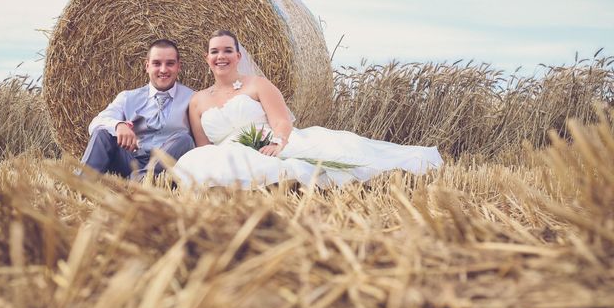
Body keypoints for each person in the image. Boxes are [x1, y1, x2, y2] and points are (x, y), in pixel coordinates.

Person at [172, 30, 443, 189]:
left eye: (228, 51)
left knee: (335, 156)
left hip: (269, 140)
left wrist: (278, 142)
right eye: (215, 52)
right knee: (198, 163)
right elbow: (203, 146)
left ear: (238, 56)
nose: (221, 57)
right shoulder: (197, 101)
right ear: (207, 58)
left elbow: (281, 121)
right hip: (228, 152)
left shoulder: (258, 84)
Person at [81, 39, 195, 178]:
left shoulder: (193, 99)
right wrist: (118, 125)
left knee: (184, 139)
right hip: (130, 161)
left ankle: (141, 182)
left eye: (170, 63)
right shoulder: (127, 97)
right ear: (147, 66)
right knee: (102, 132)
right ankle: (79, 184)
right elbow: (95, 123)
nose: (163, 70)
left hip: (167, 167)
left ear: (179, 66)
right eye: (156, 63)